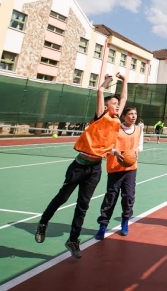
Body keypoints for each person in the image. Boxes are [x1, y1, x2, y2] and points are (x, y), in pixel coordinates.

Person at [35, 72, 127, 259]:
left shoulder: (117, 120)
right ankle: (43, 222)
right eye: (114, 103)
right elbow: (100, 91)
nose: (117, 105)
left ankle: (73, 240)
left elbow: (124, 97)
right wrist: (107, 82)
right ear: (107, 106)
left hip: (95, 169)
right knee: (62, 197)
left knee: (83, 206)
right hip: (79, 166)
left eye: (118, 104)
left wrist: (125, 81)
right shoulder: (101, 115)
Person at [94, 105, 144, 240]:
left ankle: (125, 222)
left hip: (130, 169)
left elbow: (140, 146)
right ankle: (103, 226)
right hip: (115, 168)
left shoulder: (139, 129)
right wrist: (114, 152)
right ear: (124, 116)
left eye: (135, 114)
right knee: (110, 198)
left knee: (128, 197)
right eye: (130, 114)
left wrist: (134, 151)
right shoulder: (115, 128)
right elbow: (106, 146)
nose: (133, 116)